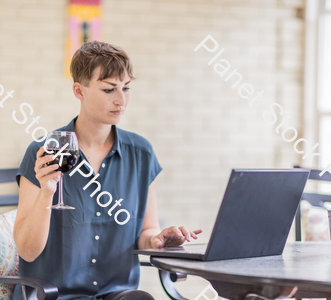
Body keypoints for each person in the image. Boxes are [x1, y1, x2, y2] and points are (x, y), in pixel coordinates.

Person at [11, 41, 202, 300]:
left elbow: (146, 233)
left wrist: (159, 239)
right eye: (109, 89)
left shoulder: (142, 154)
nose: (121, 100)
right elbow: (27, 251)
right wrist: (47, 192)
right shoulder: (43, 153)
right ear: (79, 91)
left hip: (117, 295)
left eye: (126, 88)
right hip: (54, 296)